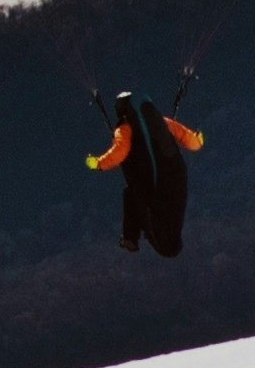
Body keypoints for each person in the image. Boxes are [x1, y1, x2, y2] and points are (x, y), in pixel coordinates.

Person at [87, 87, 203, 257]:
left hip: (151, 184)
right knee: (167, 218)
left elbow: (119, 151)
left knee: (131, 193)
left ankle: (130, 239)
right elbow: (190, 141)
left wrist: (98, 163)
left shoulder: (125, 129)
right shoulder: (163, 122)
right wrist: (198, 140)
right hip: (176, 177)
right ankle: (162, 240)